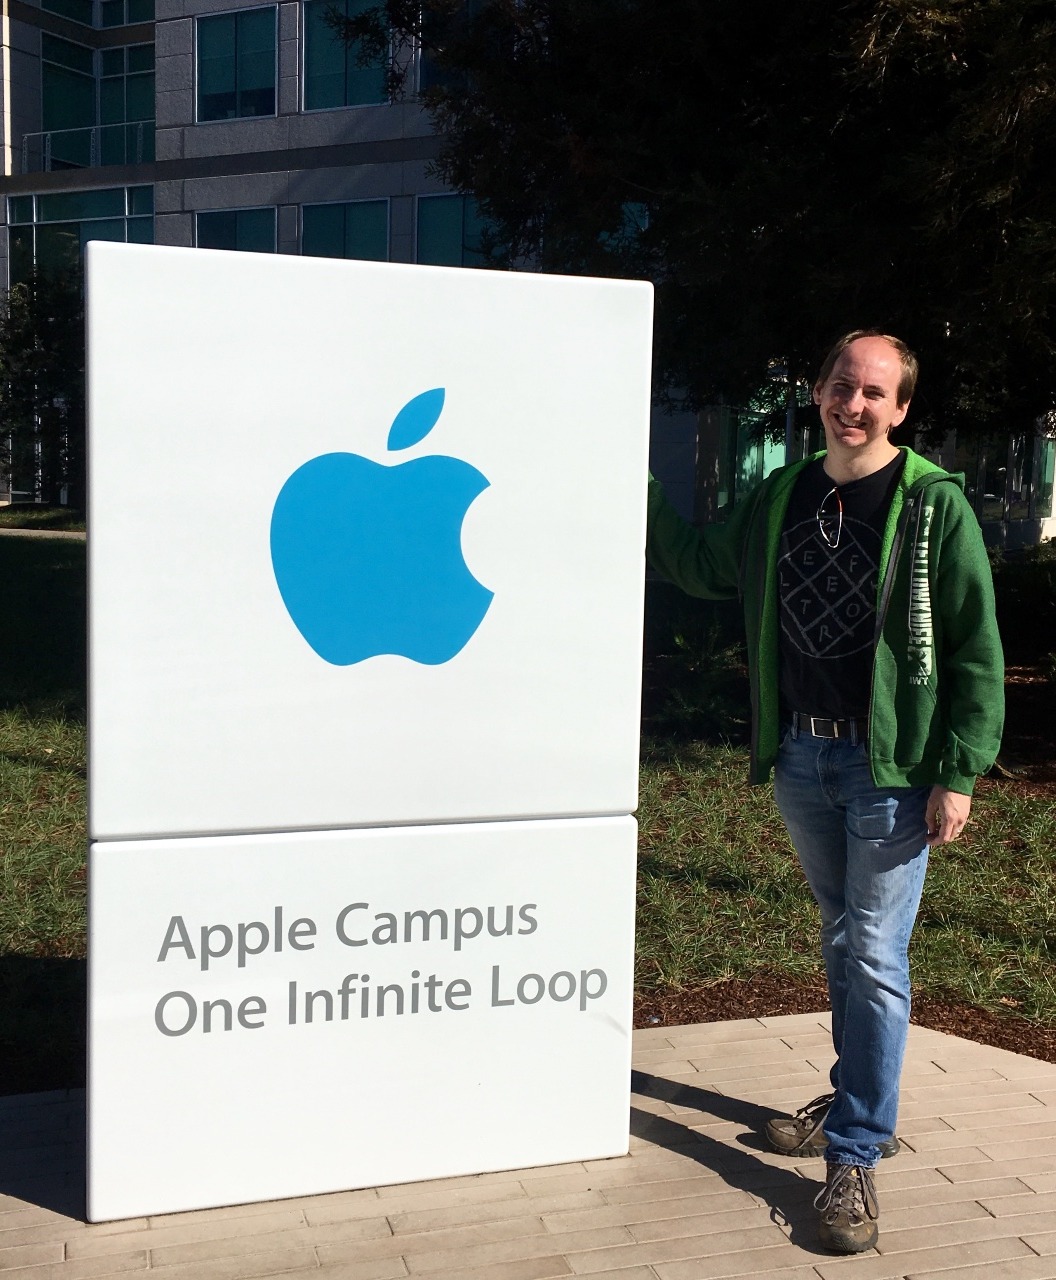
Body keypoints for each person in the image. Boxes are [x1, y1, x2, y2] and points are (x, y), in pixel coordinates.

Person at [645, 330, 1004, 1254]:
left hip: (892, 767)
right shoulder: (782, 495)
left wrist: (957, 771)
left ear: (901, 410)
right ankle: (852, 1102)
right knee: (843, 938)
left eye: (875, 393)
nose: (856, 404)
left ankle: (853, 1158)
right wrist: (634, 485)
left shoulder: (932, 507)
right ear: (818, 392)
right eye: (843, 386)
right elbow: (699, 565)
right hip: (803, 757)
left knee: (877, 954)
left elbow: (973, 646)